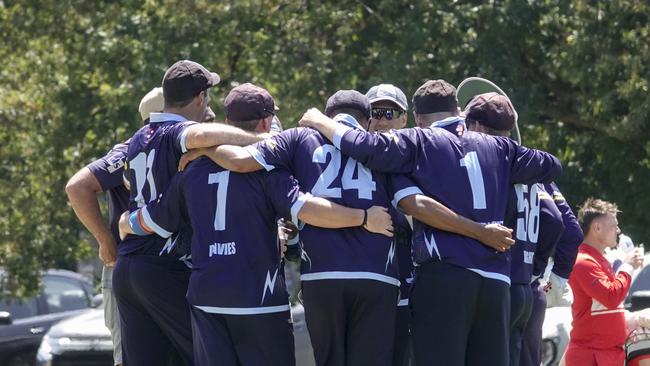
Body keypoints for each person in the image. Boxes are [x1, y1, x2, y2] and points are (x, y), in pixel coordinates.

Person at [180, 88, 515, 366]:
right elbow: (410, 205)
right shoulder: (383, 151)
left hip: (322, 279)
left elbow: (241, 162)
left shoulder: (299, 138)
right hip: (377, 279)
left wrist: (204, 147)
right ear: (368, 122)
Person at [119, 83, 395, 366]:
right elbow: (305, 209)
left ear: (227, 121)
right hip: (258, 301)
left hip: (207, 298)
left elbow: (158, 218)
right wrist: (361, 218)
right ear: (266, 121)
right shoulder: (269, 170)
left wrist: (127, 223)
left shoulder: (191, 167)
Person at [298, 79, 563, 366]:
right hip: (496, 284)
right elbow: (551, 165)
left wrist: (319, 121)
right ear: (458, 110)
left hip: (445, 276)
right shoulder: (500, 146)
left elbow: (365, 147)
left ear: (418, 118)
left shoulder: (418, 140)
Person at [113, 59, 265, 365]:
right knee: (208, 356)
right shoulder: (177, 131)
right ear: (200, 98)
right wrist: (263, 140)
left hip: (127, 268)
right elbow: (199, 137)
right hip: (163, 267)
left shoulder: (138, 138)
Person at [461, 92, 583, 366]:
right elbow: (559, 221)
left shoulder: (490, 166)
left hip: (499, 283)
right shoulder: (534, 167)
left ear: (478, 127)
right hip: (529, 288)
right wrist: (539, 269)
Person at [65, 86, 165, 366]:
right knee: (128, 357)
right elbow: (77, 187)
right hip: (128, 265)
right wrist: (105, 240)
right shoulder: (129, 150)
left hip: (150, 270)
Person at [366, 83, 413, 366]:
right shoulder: (349, 158)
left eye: (389, 112)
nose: (382, 120)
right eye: (375, 112)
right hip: (365, 290)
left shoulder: (419, 157)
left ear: (404, 118)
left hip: (407, 289)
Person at [565, 198, 643, 366]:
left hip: (608, 355)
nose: (618, 230)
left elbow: (610, 309)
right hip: (590, 356)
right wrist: (627, 266)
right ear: (597, 228)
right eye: (613, 226)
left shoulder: (600, 260)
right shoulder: (583, 261)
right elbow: (611, 296)